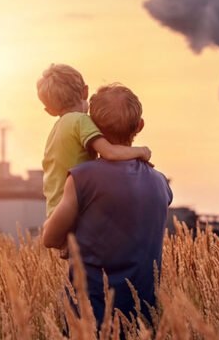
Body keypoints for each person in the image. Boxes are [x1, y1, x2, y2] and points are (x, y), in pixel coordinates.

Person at [42, 83, 172, 327]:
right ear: (140, 125)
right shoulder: (160, 183)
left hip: (89, 319)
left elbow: (50, 238)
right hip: (143, 320)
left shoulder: (82, 178)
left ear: (91, 126)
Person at [36, 64, 152, 219]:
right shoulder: (80, 121)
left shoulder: (58, 128)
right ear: (85, 91)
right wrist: (142, 151)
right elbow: (110, 152)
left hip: (55, 212)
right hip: (72, 212)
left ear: (49, 111)